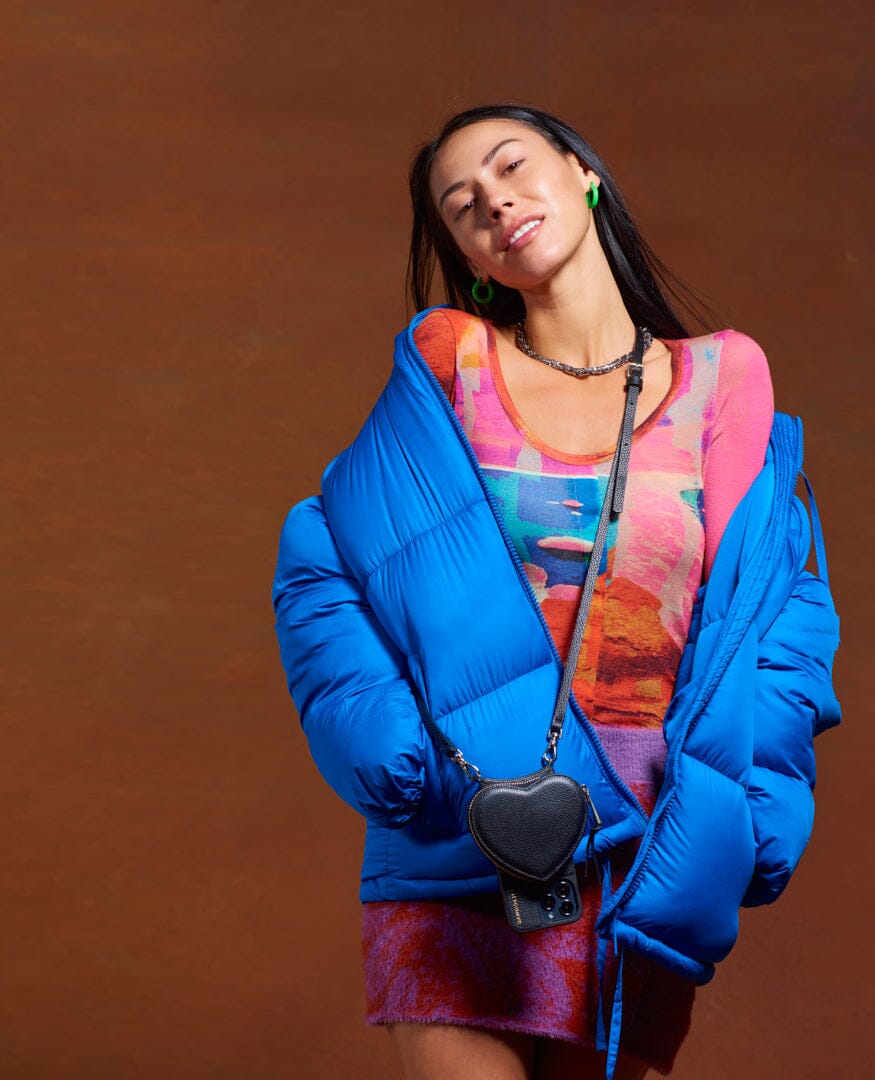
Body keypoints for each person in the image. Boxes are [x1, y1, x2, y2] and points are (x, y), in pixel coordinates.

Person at [272, 105, 842, 1080]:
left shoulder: (720, 377)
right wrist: (399, 755)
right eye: (463, 205)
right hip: (466, 827)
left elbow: (773, 605)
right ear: (468, 253)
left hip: (646, 847)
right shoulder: (452, 363)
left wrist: (754, 804)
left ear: (583, 173)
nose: (494, 202)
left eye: (510, 167)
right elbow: (325, 547)